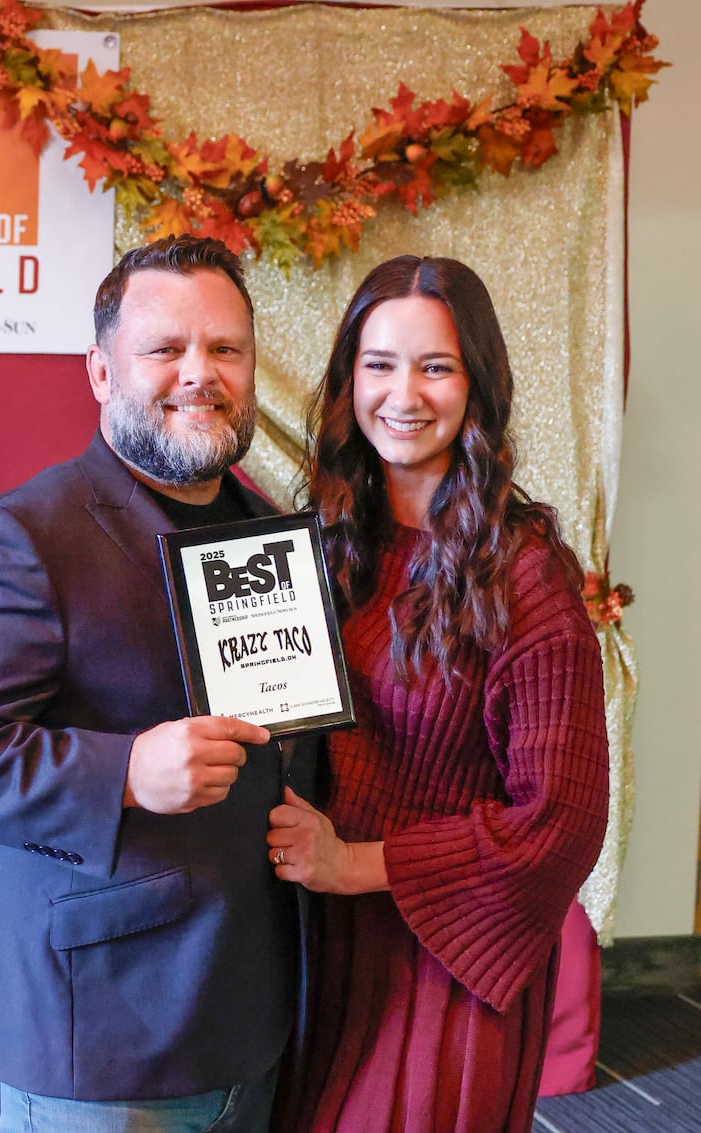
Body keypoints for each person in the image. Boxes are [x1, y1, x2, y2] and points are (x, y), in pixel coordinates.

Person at [0, 236, 316, 1133]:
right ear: (99, 369)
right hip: (104, 1044)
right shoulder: (22, 536)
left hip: (259, 1016)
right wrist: (123, 770)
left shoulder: (273, 533)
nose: (199, 373)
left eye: (225, 349)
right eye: (165, 349)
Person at [267, 255, 610, 1133]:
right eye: (379, 364)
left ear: (476, 386)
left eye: (436, 366)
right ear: (349, 378)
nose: (403, 393)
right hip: (319, 950)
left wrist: (355, 864)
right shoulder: (330, 537)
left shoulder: (524, 577)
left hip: (446, 965)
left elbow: (561, 820)